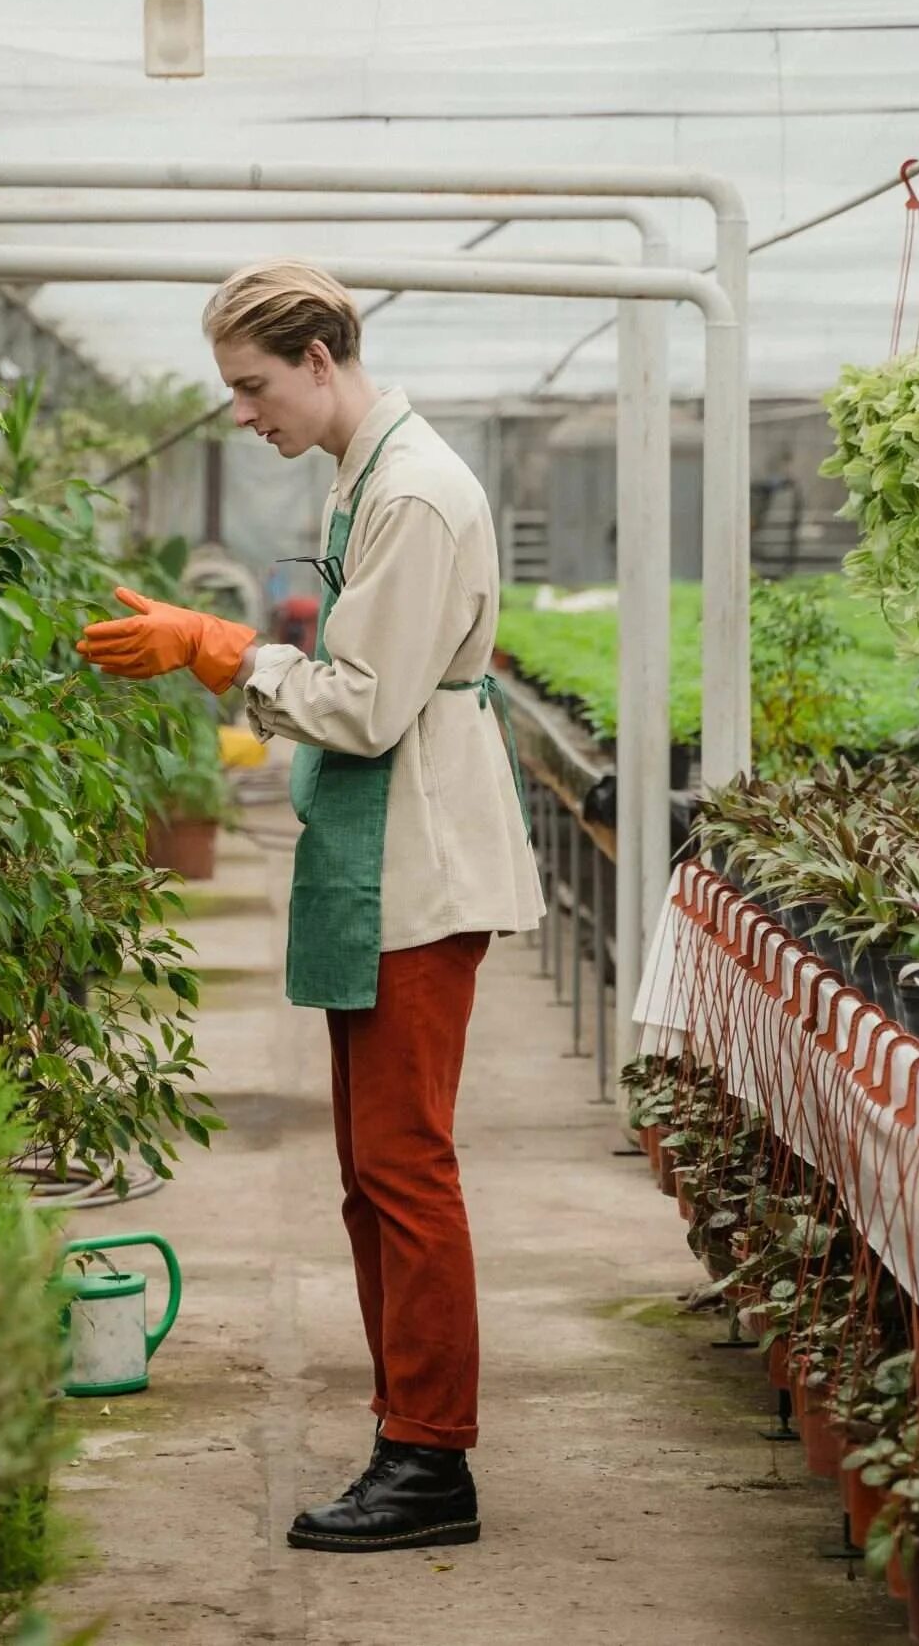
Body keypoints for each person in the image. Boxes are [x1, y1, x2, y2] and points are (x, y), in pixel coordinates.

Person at [76, 260, 543, 1553]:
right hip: (387, 850)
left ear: (323, 358)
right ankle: (406, 1431)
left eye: (253, 384)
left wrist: (219, 650)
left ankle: (431, 1464)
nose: (242, 410)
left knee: (404, 1169)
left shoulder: (417, 495)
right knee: (370, 1172)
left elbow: (364, 702)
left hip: (425, 862)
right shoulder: (370, 475)